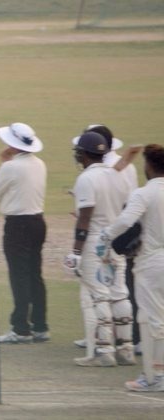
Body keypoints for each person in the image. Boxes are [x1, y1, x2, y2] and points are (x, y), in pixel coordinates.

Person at [66, 132, 136, 367]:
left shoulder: (86, 179)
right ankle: (126, 349)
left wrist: (75, 252)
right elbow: (127, 209)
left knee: (99, 295)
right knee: (119, 292)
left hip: (94, 244)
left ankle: (104, 351)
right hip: (115, 241)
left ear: (84, 154)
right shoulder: (117, 175)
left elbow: (84, 219)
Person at [103, 144, 164, 391]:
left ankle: (155, 376)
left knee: (153, 320)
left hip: (151, 264)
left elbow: (127, 220)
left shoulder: (145, 193)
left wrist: (106, 235)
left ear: (148, 166)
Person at [0, 123, 49, 344]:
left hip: (17, 225)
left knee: (19, 276)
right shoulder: (40, 164)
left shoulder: (11, 167)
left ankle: (20, 328)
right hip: (38, 222)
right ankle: (40, 326)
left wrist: (4, 163)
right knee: (34, 274)